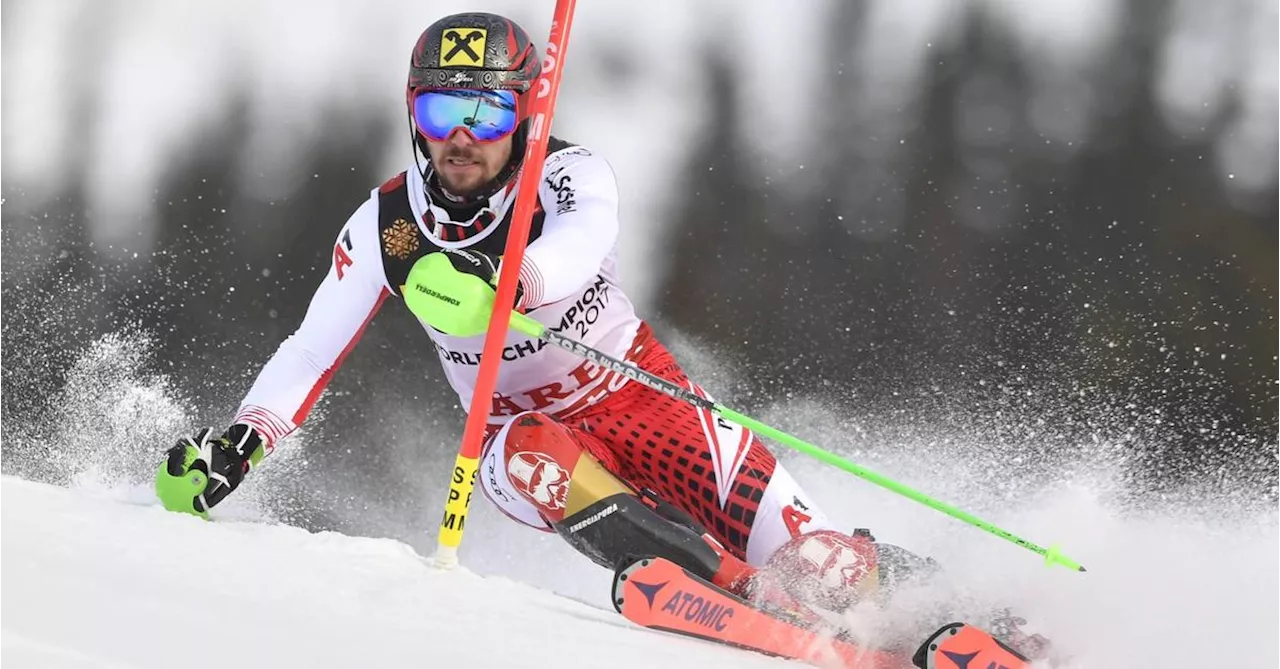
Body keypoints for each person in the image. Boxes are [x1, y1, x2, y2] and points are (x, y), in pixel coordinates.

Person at [155, 11, 1047, 656]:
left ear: (524, 117)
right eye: (440, 114)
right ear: (413, 113)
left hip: (642, 393)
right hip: (515, 441)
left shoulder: (568, 175)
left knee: (823, 564)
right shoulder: (387, 224)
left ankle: (984, 621)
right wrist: (246, 438)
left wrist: (517, 285)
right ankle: (714, 579)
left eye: (489, 115)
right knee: (534, 453)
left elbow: (583, 246)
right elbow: (312, 347)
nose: (463, 138)